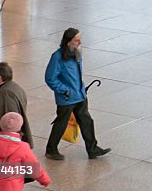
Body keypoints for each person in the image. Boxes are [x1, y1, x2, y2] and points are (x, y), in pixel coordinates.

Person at [43, 29, 110, 161]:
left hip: (79, 95)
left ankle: (93, 149)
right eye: (77, 40)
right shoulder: (57, 57)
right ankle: (51, 150)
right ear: (68, 42)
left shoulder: (76, 54)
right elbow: (50, 78)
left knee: (87, 122)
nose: (80, 42)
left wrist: (80, 90)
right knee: (61, 124)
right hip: (67, 98)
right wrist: (65, 90)